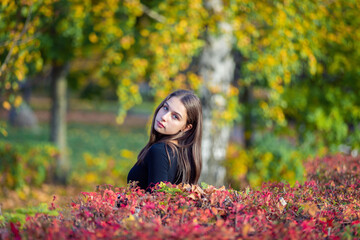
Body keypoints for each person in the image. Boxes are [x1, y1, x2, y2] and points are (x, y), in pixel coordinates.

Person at [127, 89, 203, 191]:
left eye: (175, 116)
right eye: (166, 108)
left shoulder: (160, 151)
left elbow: (155, 202)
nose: (164, 117)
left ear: (186, 127)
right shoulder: (183, 155)